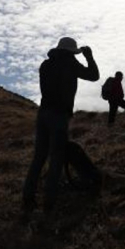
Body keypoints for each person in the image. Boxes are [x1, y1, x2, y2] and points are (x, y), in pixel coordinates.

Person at [22, 37, 100, 214]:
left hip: (43, 113)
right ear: (71, 52)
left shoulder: (45, 65)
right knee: (56, 159)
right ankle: (49, 204)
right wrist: (89, 57)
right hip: (59, 115)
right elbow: (94, 76)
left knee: (38, 158)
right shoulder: (71, 64)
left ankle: (28, 198)